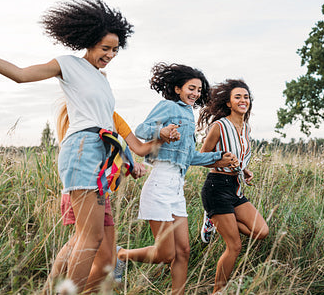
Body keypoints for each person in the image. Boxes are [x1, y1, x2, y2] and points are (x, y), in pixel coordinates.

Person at [0, 0, 137, 293]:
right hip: (83, 151)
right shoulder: (68, 65)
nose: (110, 54)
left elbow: (107, 125)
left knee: (92, 240)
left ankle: (51, 289)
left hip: (101, 155)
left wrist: (128, 162)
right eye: (104, 48)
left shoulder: (101, 79)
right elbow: (20, 75)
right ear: (89, 41)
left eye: (114, 50)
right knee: (90, 238)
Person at [115, 63, 238, 295]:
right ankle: (120, 255)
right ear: (178, 88)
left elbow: (190, 156)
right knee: (166, 254)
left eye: (199, 90)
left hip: (176, 190)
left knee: (183, 252)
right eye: (191, 88)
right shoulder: (168, 106)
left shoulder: (189, 115)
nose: (195, 94)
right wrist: (161, 132)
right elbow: (141, 129)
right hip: (159, 184)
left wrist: (219, 158)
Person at [50, 106, 178, 293]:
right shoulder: (81, 116)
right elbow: (88, 155)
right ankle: (53, 289)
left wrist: (134, 163)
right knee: (87, 245)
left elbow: (129, 149)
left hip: (103, 192)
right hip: (81, 188)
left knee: (102, 257)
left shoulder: (112, 117)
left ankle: (64, 290)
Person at [197, 79, 269, 294]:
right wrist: (222, 161)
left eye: (246, 96)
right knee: (235, 246)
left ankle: (214, 219)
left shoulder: (246, 127)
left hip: (235, 189)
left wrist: (244, 169)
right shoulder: (219, 126)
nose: (243, 100)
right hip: (216, 188)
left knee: (262, 232)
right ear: (228, 103)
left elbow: (240, 157)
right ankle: (218, 291)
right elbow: (201, 157)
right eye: (237, 96)